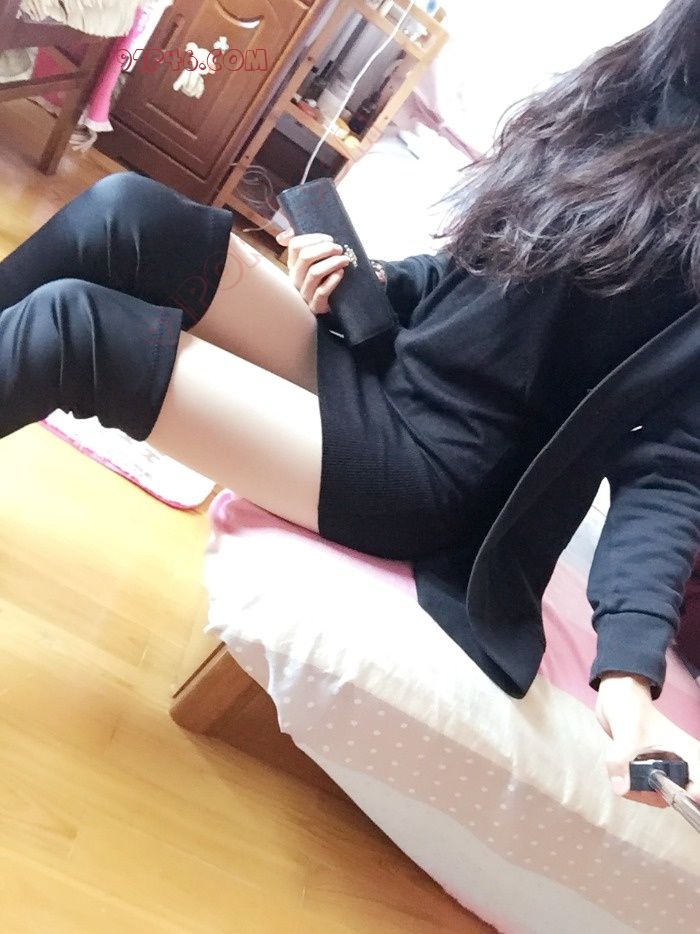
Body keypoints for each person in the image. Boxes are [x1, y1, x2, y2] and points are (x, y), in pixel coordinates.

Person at [1, 0, 698, 808]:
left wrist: (629, 676)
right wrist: (367, 279)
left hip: (429, 468)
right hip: (386, 362)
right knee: (125, 214)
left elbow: (671, 467)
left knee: (75, 330)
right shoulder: (633, 85)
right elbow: (479, 276)